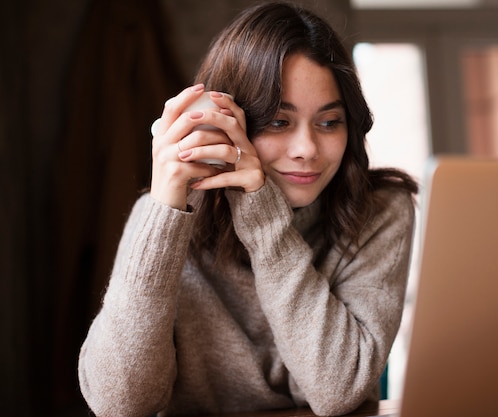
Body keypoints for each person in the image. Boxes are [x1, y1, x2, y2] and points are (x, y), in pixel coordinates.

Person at [78, 2, 418, 416]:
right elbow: (119, 404)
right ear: (229, 121)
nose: (307, 149)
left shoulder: (380, 210)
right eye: (278, 121)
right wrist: (164, 211)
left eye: (329, 122)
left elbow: (338, 389)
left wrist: (262, 216)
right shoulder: (159, 217)